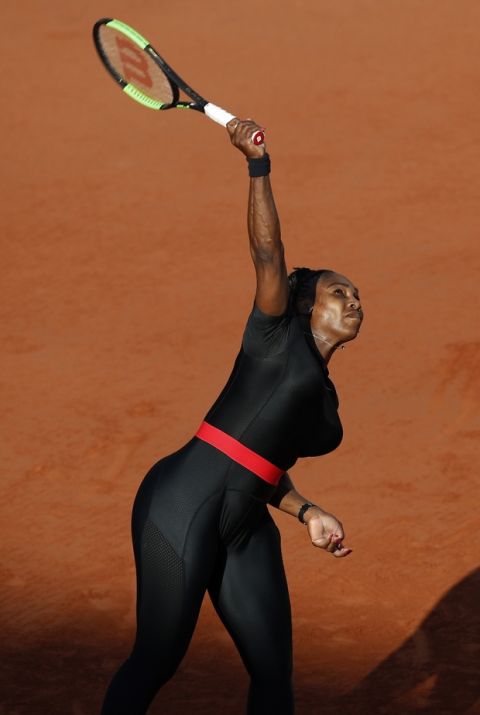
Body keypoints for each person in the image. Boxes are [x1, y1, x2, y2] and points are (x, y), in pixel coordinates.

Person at [100, 118, 364, 715]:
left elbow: (262, 459)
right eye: (337, 292)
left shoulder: (326, 407)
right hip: (181, 501)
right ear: (303, 306)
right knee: (159, 656)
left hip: (244, 522)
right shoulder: (273, 335)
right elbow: (268, 252)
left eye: (356, 296)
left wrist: (307, 511)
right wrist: (257, 166)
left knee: (274, 672)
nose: (353, 301)